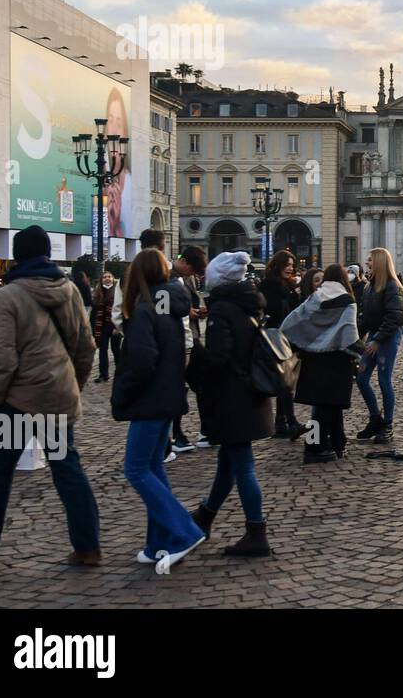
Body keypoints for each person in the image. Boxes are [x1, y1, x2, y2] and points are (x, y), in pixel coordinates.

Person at [0, 225, 99, 567]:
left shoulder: (8, 296)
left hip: (18, 402)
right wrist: (73, 386)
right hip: (56, 396)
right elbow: (85, 347)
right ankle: (88, 546)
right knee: (67, 469)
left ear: (18, 255)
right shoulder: (68, 290)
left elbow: (3, 357)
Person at [112, 248, 206, 572]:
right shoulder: (170, 307)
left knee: (136, 469)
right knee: (153, 467)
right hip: (167, 397)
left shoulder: (143, 311)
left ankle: (183, 532)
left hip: (150, 400)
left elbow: (141, 361)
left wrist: (123, 393)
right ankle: (158, 543)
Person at [189, 251, 273, 556]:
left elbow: (219, 356)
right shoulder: (249, 302)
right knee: (229, 460)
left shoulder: (223, 308)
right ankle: (206, 516)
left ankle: (256, 531)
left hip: (233, 395)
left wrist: (195, 359)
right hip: (249, 392)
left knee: (243, 465)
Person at [282, 264, 359, 465]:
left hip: (314, 359)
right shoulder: (346, 300)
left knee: (320, 407)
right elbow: (349, 333)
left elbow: (292, 322)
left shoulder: (317, 297)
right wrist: (360, 353)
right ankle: (314, 449)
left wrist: (304, 342)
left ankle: (330, 443)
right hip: (337, 360)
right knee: (329, 407)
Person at [355, 247, 403, 445]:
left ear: (379, 262)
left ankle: (388, 424)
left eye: (369, 260)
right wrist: (357, 339)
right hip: (375, 335)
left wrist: (376, 340)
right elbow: (365, 317)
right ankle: (375, 417)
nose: (366, 262)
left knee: (384, 380)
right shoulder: (369, 286)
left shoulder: (392, 286)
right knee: (361, 378)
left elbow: (394, 317)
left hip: (388, 337)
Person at [260, 249, 308, 440]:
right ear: (278, 266)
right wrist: (291, 295)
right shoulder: (270, 285)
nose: (290, 268)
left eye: (292, 265)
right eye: (287, 265)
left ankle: (282, 424)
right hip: (275, 338)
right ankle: (289, 423)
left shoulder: (284, 285)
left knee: (286, 383)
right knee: (285, 382)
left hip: (285, 338)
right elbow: (276, 311)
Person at [169, 245, 209, 453]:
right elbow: (165, 310)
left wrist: (195, 311)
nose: (193, 274)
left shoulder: (188, 278)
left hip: (192, 337)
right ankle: (176, 435)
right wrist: (187, 312)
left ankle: (206, 430)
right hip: (179, 341)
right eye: (192, 269)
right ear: (183, 262)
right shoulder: (168, 278)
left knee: (203, 382)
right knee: (176, 388)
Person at [92, 272, 122, 384]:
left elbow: (121, 309)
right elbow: (94, 312)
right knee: (102, 351)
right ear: (101, 280)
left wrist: (118, 327)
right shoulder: (98, 292)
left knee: (116, 350)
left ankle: (120, 373)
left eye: (109, 277)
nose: (107, 279)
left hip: (114, 325)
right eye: (104, 277)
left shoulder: (118, 291)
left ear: (113, 278)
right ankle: (103, 374)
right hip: (102, 326)